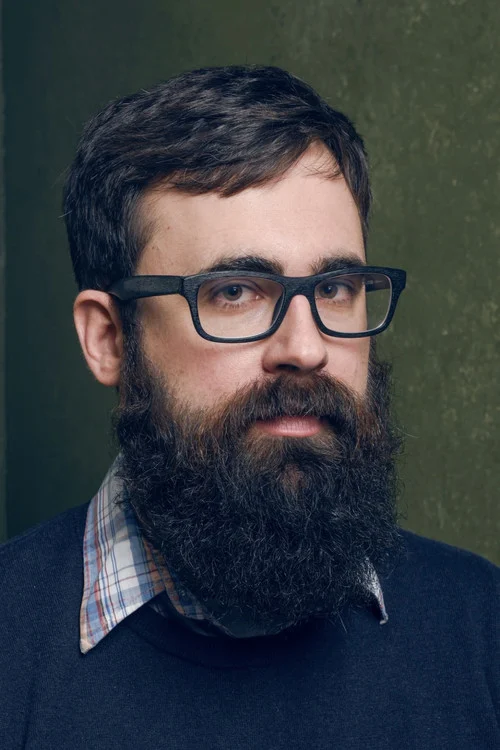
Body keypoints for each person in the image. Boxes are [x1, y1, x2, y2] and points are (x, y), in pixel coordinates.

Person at [0, 65, 498, 749]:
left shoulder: (482, 629)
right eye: (234, 292)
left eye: (336, 288)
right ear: (109, 338)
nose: (307, 348)